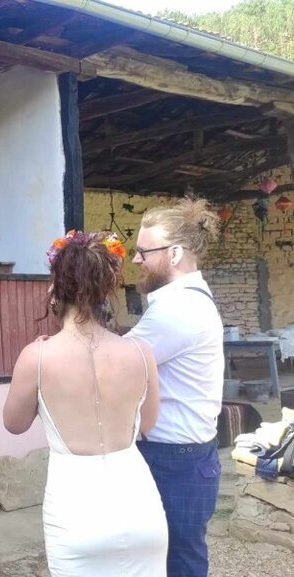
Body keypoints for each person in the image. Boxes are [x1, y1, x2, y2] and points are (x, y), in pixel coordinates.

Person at [3, 230, 166, 576]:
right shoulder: (140, 352)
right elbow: (148, 423)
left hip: (75, 509)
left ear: (56, 289)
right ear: (106, 290)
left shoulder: (37, 356)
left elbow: (14, 424)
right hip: (139, 503)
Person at [128, 198, 224, 577]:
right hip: (182, 456)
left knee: (178, 561)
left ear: (175, 253)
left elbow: (116, 364)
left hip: (173, 460)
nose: (135, 259)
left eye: (143, 251)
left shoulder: (177, 310)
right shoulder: (182, 302)